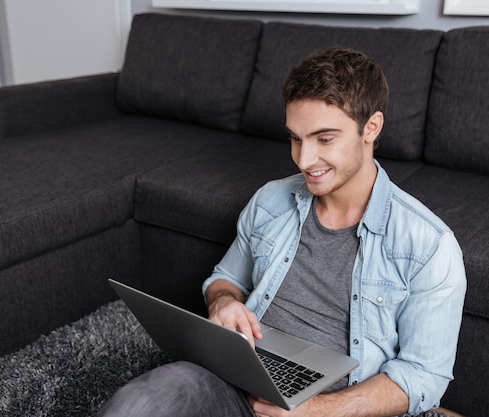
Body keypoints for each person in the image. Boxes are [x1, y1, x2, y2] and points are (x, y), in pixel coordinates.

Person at [97, 47, 466, 417]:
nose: (304, 160)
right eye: (295, 138)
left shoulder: (428, 246)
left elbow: (423, 375)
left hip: (339, 408)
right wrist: (224, 302)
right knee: (136, 405)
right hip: (238, 377)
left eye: (324, 139)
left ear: (371, 128)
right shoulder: (271, 201)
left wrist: (316, 411)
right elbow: (224, 279)